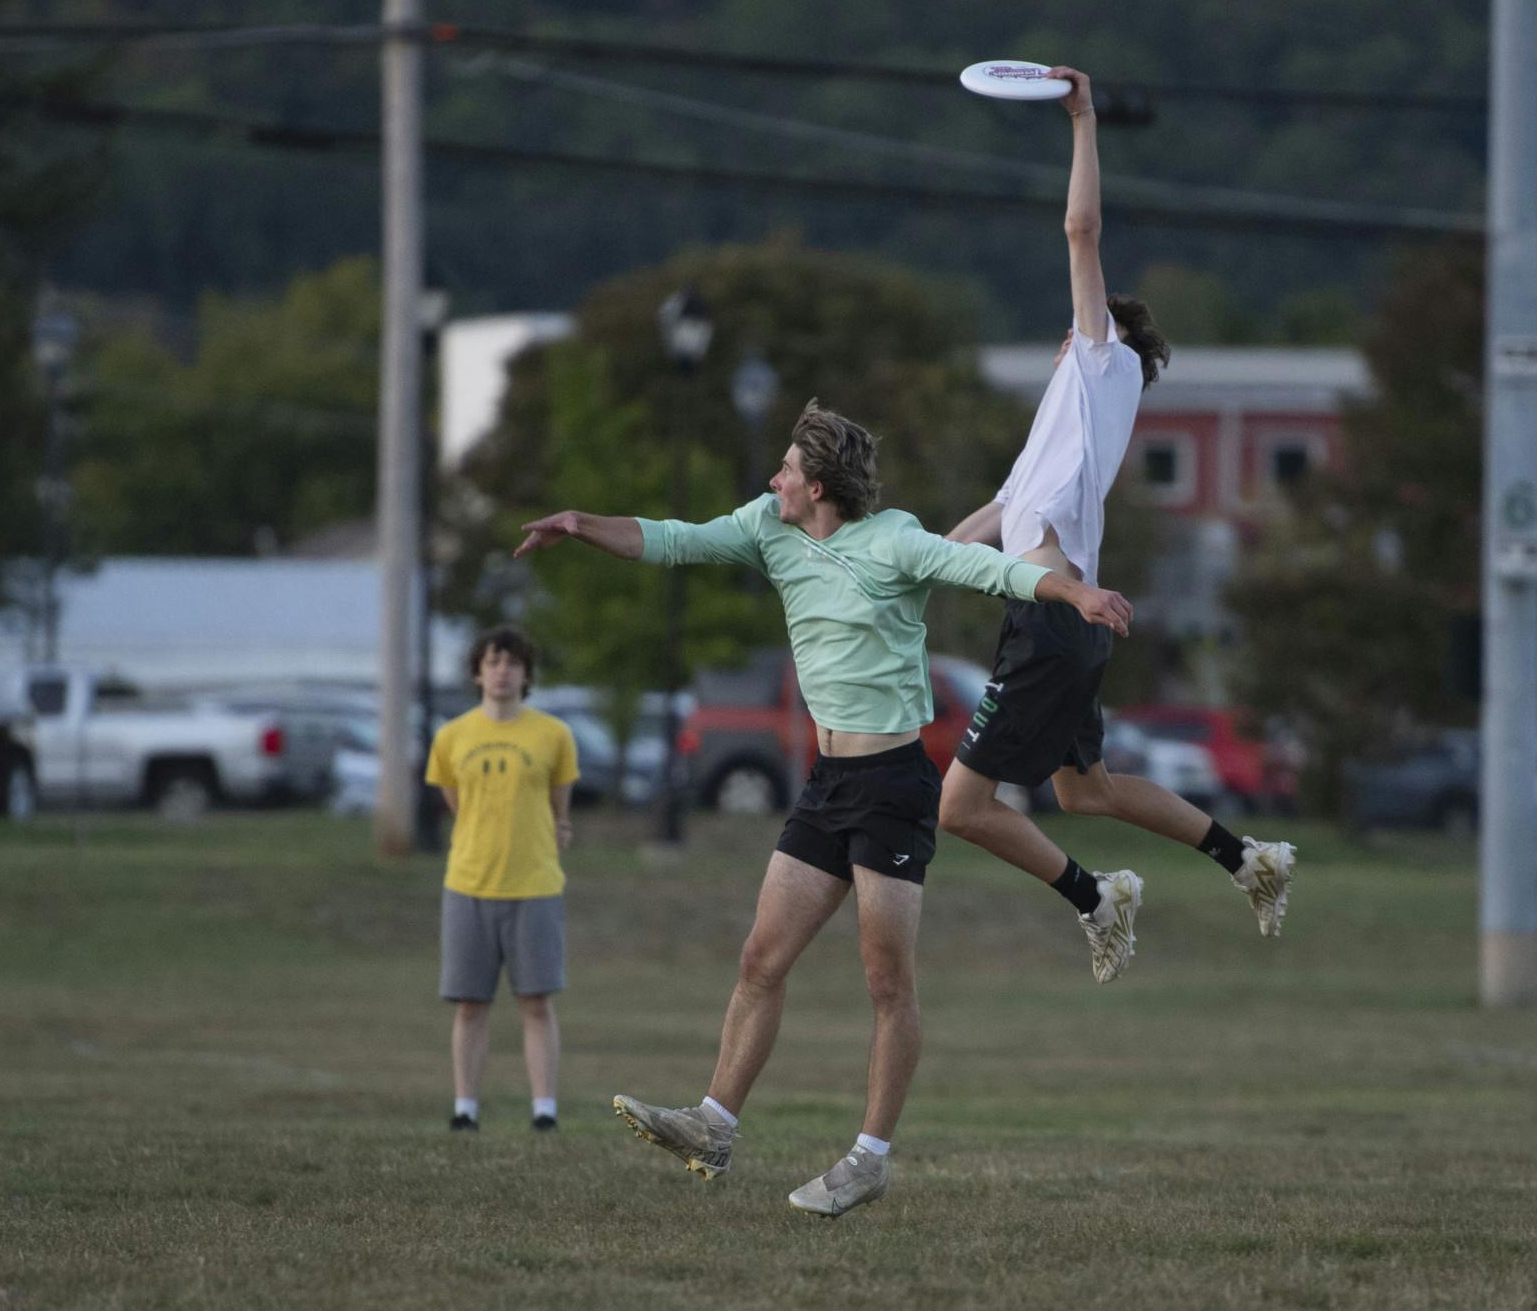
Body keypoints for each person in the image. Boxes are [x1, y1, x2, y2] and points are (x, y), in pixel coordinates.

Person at [514, 401, 1133, 1217]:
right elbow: (672, 538)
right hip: (825, 786)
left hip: (893, 786)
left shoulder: (894, 541)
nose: (772, 480)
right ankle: (713, 1123)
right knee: (760, 960)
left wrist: (1071, 591)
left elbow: (994, 572)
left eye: (784, 470)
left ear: (817, 485)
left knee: (886, 982)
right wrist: (579, 524)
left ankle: (870, 1157)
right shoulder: (768, 528)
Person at [936, 65, 1294, 981]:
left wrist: (1083, 119)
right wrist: (910, 564)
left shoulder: (1100, 363)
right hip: (1068, 615)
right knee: (1082, 787)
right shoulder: (1069, 415)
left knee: (961, 806)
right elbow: (997, 515)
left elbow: (1080, 227)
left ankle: (1098, 899)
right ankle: (1246, 858)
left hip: (1054, 617)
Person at [427, 626, 580, 1132]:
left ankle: (544, 1109)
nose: (502, 671)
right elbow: (454, 801)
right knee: (470, 1004)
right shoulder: (451, 737)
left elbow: (560, 810)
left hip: (534, 883)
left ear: (526, 674)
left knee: (536, 1001)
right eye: (492, 662)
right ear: (477, 672)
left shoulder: (552, 735)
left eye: (512, 662)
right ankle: (465, 1107)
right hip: (468, 882)